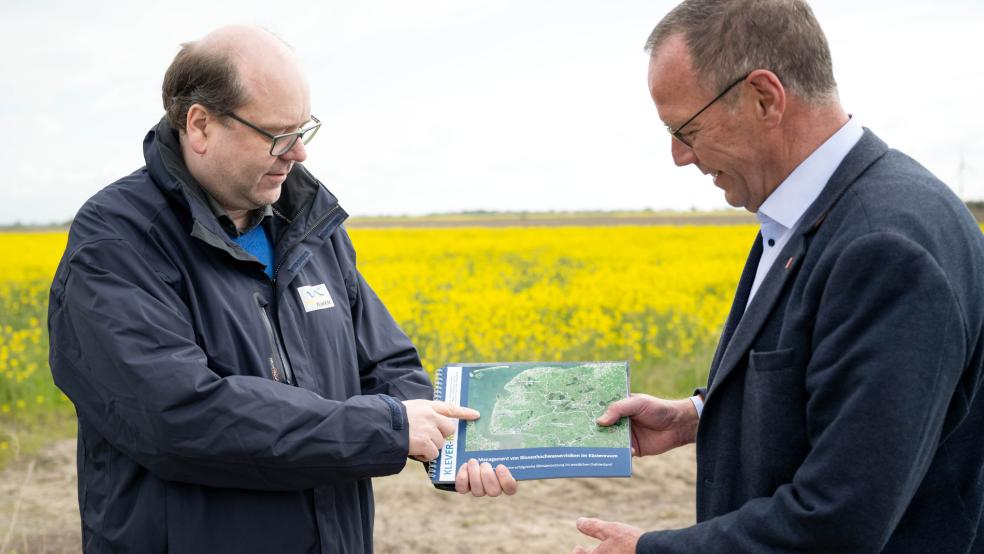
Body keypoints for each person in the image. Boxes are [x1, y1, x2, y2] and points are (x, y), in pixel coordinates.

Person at [47, 26, 506, 553]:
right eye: (277, 135)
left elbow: (386, 363)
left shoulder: (309, 224)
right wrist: (389, 428)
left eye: (304, 130)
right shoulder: (118, 239)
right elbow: (177, 415)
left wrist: (449, 447)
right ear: (200, 125)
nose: (299, 154)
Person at [572, 1, 984, 552]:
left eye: (686, 129)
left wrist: (650, 550)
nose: (679, 156)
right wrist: (697, 415)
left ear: (764, 98)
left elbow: (839, 519)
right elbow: (838, 398)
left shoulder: (884, 245)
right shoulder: (815, 207)